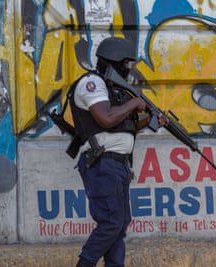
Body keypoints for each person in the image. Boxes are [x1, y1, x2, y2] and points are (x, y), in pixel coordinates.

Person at [70, 37, 167, 267]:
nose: (128, 69)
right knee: (111, 223)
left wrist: (152, 121)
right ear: (113, 63)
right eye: (125, 64)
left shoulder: (112, 90)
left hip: (118, 165)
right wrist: (135, 104)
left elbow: (123, 127)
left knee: (120, 223)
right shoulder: (92, 84)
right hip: (103, 162)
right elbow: (106, 119)